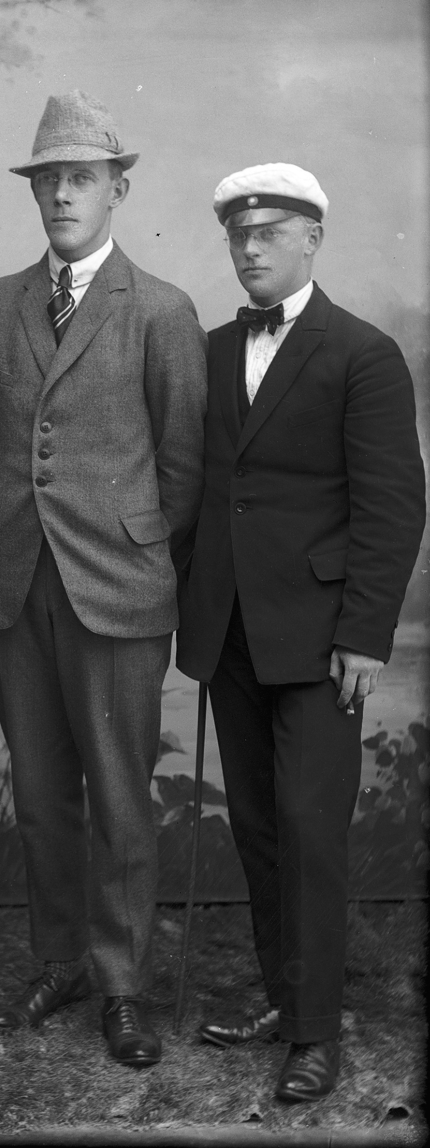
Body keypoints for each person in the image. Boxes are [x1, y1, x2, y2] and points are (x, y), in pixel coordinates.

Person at [0, 91, 207, 1067]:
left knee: (117, 796)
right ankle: (58, 961)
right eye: (49, 180)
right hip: (16, 583)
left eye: (82, 179)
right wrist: (29, 532)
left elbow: (182, 467)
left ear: (118, 191)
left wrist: (123, 547)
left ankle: (120, 984)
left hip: (117, 590)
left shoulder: (162, 311)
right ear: (34, 194)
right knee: (39, 794)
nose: (63, 195)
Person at [176, 163, 425, 1101]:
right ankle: (285, 1001)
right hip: (231, 633)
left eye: (270, 233)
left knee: (311, 832)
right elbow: (201, 489)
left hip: (322, 642)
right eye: (239, 235)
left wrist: (365, 634)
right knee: (256, 828)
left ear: (312, 240)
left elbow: (394, 508)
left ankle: (318, 1034)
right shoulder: (209, 351)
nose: (250, 249)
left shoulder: (362, 353)